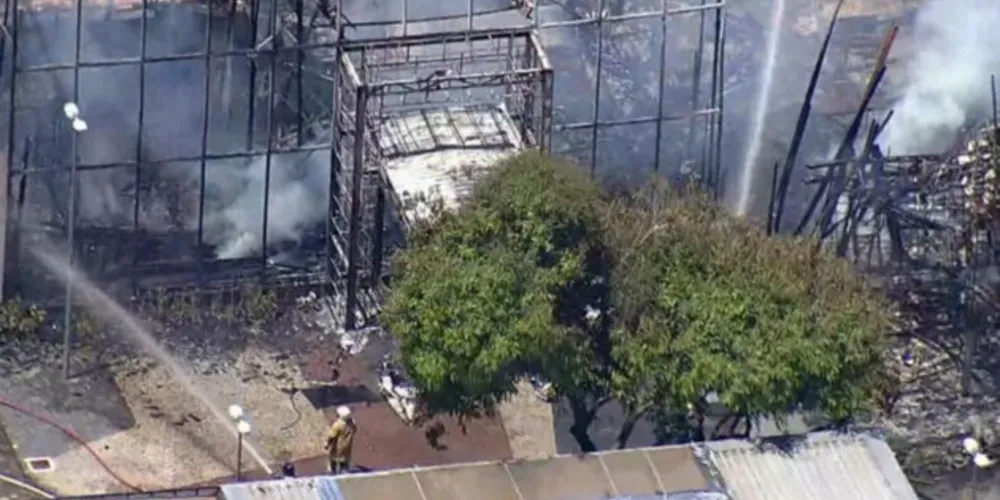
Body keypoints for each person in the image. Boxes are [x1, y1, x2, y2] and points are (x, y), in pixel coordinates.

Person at [325, 405, 357, 475]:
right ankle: (344, 473)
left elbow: (332, 436)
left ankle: (332, 472)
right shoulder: (352, 423)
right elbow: (354, 431)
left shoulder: (337, 425)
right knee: (344, 462)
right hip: (347, 448)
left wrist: (327, 444)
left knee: (333, 460)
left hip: (337, 448)